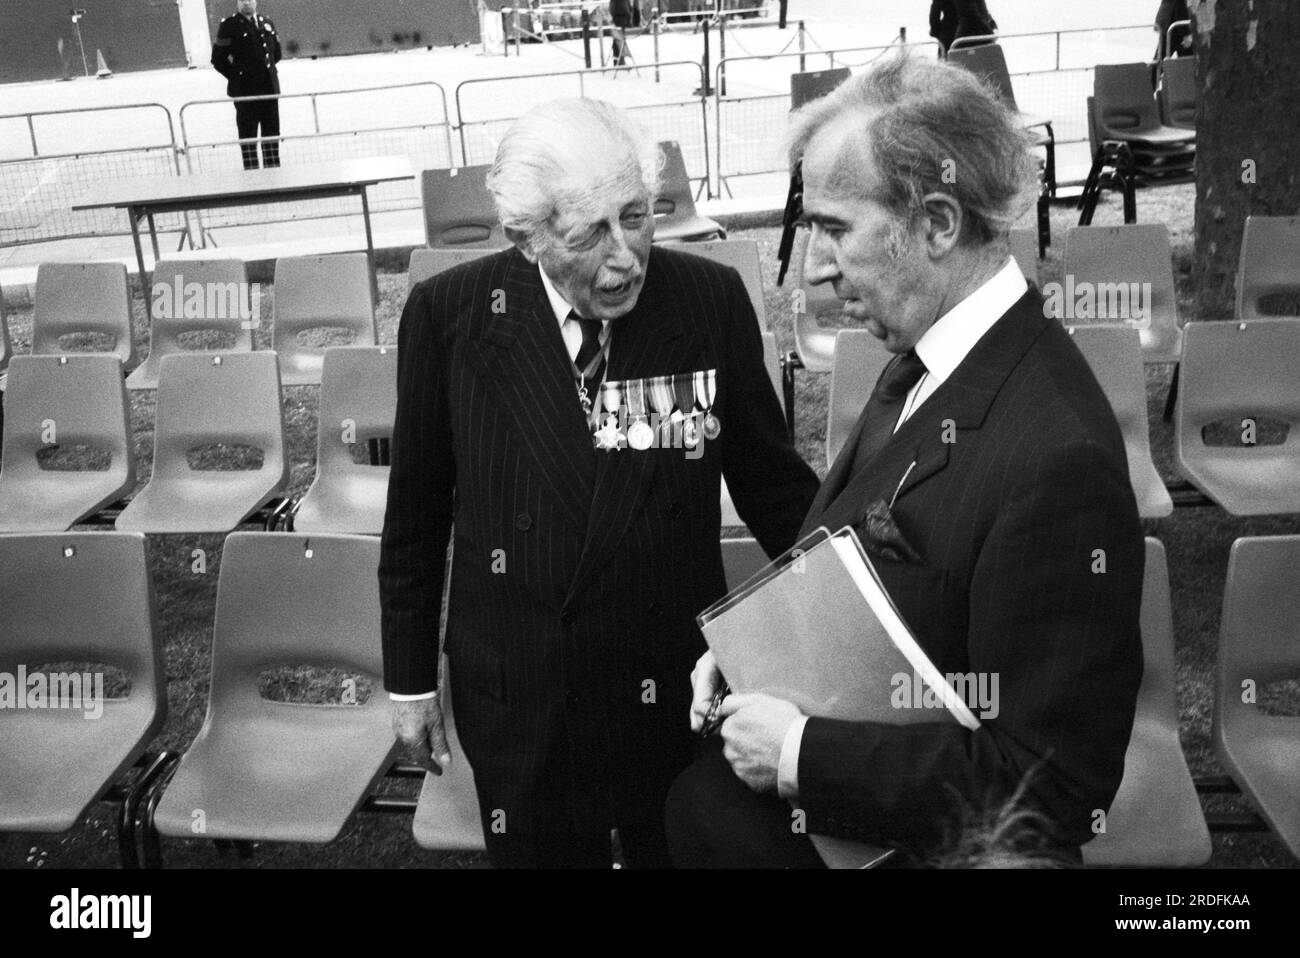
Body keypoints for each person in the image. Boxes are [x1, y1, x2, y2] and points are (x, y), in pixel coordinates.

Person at [666, 52, 1144, 868]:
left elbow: (1045, 790)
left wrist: (797, 755)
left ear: (936, 224)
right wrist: (758, 651)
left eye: (834, 227)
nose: (812, 266)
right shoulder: (928, 352)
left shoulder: (1057, 458)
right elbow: (861, 567)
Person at [379, 98, 819, 868]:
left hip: (669, 680)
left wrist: (861, 614)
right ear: (528, 238)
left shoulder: (706, 303)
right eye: (590, 234)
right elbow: (415, 516)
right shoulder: (451, 316)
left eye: (638, 217)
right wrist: (410, 681)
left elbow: (775, 490)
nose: (626, 257)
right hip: (521, 689)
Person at [211, 0, 282, 170]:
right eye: (243, 0)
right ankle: (252, 177)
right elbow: (218, 60)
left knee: (271, 136)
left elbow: (276, 54)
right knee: (248, 138)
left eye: (250, 0)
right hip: (245, 93)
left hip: (268, 90)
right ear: (237, 3)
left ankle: (274, 174)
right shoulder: (229, 26)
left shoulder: (267, 23)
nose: (247, 3)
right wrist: (237, 76)